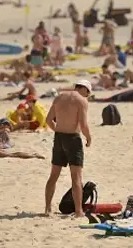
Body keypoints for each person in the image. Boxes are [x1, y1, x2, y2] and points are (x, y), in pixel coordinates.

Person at [44, 79, 92, 217]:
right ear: (85, 90)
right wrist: (89, 138)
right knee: (76, 177)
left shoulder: (59, 97)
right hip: (73, 139)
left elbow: (48, 120)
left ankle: (47, 209)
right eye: (87, 94)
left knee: (53, 175)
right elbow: (83, 125)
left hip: (59, 138)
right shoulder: (81, 101)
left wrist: (58, 130)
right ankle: (78, 211)